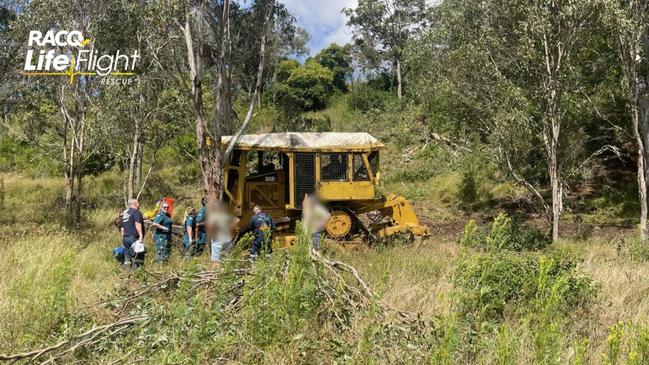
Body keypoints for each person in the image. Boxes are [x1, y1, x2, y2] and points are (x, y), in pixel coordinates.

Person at [208, 201, 240, 266]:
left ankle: (216, 274)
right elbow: (237, 220)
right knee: (226, 259)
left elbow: (210, 225)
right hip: (227, 239)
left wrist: (212, 233)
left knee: (216, 261)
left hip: (217, 239)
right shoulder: (226, 215)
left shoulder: (214, 216)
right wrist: (229, 227)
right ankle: (226, 273)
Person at [121, 199, 144, 268]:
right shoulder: (136, 212)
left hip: (126, 238)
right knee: (138, 256)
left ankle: (127, 272)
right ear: (135, 204)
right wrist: (141, 236)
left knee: (128, 258)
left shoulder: (125, 214)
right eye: (138, 203)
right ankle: (137, 273)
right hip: (133, 238)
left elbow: (122, 229)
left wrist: (123, 239)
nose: (139, 205)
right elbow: (137, 223)